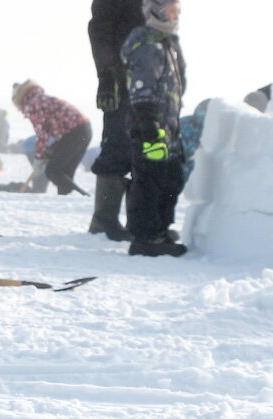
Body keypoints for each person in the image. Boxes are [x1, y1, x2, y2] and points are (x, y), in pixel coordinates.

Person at [122, 0, 188, 257]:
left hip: (168, 126)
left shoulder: (167, 43)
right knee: (149, 181)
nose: (175, 16)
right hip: (149, 125)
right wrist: (149, 126)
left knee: (171, 179)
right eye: (171, 10)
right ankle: (145, 238)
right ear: (156, 10)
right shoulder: (148, 44)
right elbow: (143, 88)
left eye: (177, 11)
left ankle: (159, 231)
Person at [87, 0, 144, 240]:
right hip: (122, 82)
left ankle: (140, 223)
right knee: (118, 146)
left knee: (145, 151)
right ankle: (104, 220)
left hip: (149, 82)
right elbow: (99, 32)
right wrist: (107, 77)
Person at [12, 80, 91, 195]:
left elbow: (42, 135)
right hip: (83, 129)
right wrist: (47, 152)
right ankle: (66, 204)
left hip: (74, 132)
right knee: (64, 174)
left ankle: (84, 197)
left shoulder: (33, 104)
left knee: (53, 171)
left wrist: (38, 159)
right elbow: (52, 129)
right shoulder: (40, 99)